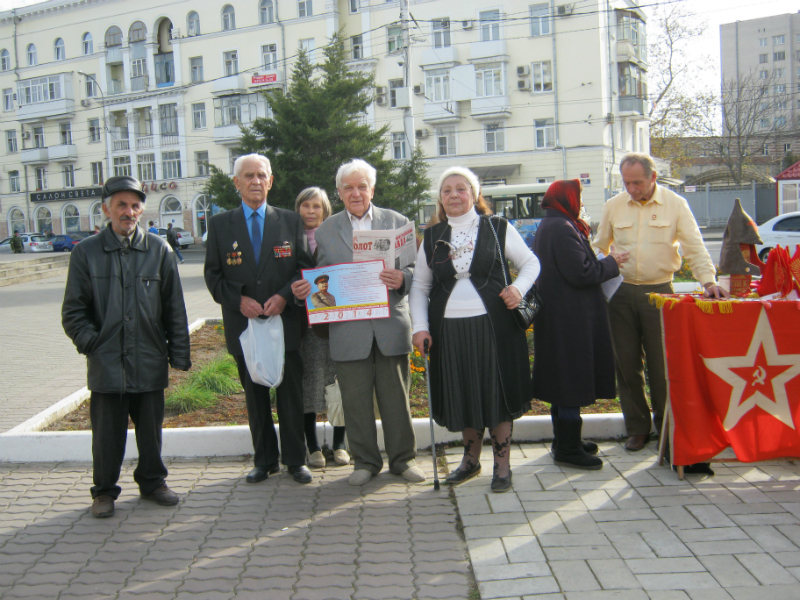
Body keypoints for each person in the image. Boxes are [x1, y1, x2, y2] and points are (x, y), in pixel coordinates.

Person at [61, 175, 190, 518]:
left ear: (141, 210)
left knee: (151, 431)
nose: (129, 212)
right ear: (106, 209)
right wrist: (94, 344)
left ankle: (153, 482)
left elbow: (174, 308)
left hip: (148, 357)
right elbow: (73, 312)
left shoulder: (159, 250)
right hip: (107, 363)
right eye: (121, 205)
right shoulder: (86, 253)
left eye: (134, 206)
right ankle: (104, 491)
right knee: (106, 435)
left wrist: (178, 354)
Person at [291, 159, 425, 486]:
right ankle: (365, 462)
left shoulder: (397, 222)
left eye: (362, 186)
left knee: (397, 399)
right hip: (348, 329)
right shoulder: (326, 230)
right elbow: (321, 277)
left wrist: (403, 278)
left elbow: (417, 271)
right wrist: (305, 289)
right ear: (338, 192)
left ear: (372, 189)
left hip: (390, 325)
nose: (355, 193)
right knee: (355, 400)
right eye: (348, 187)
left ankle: (403, 460)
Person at [409, 167, 540, 493]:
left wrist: (518, 289)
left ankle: (502, 465)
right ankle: (470, 461)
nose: (454, 195)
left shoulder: (497, 227)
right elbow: (419, 287)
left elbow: (531, 263)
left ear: (474, 194)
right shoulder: (432, 237)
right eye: (447, 190)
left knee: (497, 393)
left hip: (495, 328)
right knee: (464, 392)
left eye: (461, 188)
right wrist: (420, 328)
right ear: (440, 199)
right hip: (449, 331)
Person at [594, 153, 729, 452]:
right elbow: (599, 245)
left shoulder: (675, 204)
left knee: (662, 365)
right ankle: (637, 429)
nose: (631, 189)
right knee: (626, 364)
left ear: (653, 177)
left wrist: (708, 281)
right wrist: (604, 262)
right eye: (626, 183)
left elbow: (694, 246)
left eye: (637, 183)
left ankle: (667, 429)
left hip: (660, 294)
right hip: (620, 293)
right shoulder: (613, 206)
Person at [205, 154, 315, 485]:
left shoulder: (290, 221)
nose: (255, 181)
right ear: (236, 182)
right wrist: (238, 301)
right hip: (245, 325)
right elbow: (213, 276)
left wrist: (285, 295)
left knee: (290, 396)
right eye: (248, 175)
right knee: (255, 397)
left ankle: (296, 460)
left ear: (271, 181)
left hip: (285, 322)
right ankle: (265, 460)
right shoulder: (220, 225)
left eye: (261, 175)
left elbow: (304, 267)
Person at [531, 179, 628, 469]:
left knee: (563, 381)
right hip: (569, 320)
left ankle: (564, 440)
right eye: (579, 197)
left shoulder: (554, 224)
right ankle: (568, 448)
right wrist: (612, 263)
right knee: (570, 382)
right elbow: (581, 273)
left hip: (561, 317)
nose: (582, 203)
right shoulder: (562, 227)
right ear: (567, 199)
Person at [294, 187, 349, 469]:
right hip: (304, 325)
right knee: (309, 383)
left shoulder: (335, 236)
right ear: (298, 209)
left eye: (317, 206)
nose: (311, 211)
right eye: (306, 205)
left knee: (338, 381)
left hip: (335, 323)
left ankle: (340, 444)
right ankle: (312, 445)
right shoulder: (290, 238)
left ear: (326, 211)